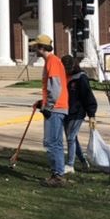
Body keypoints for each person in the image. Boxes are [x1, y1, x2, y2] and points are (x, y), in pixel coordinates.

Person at [30, 34, 68, 187]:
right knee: (56, 143)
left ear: (41, 48)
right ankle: (59, 173)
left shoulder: (52, 61)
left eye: (35, 47)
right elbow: (53, 89)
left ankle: (57, 175)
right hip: (58, 107)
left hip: (55, 109)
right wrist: (42, 102)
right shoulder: (53, 61)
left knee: (51, 142)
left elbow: (55, 87)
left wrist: (48, 107)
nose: (33, 49)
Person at [61, 54, 97, 173]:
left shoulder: (81, 78)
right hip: (66, 111)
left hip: (78, 112)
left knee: (71, 138)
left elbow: (88, 96)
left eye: (68, 69)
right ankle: (83, 161)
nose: (66, 71)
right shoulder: (65, 78)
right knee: (73, 139)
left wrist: (91, 114)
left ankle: (70, 164)